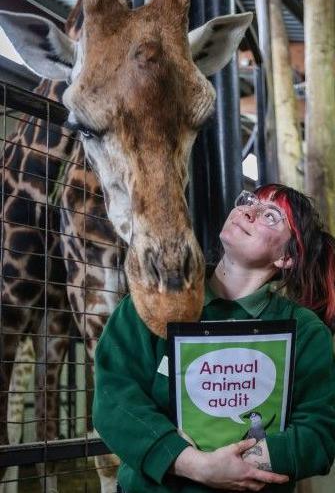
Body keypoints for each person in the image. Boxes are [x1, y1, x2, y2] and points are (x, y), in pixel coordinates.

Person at [93, 183, 335, 492]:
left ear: (286, 257)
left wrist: (243, 464)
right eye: (249, 200)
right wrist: (198, 466)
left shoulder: (305, 331)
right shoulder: (156, 300)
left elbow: (319, 434)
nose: (247, 210)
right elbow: (113, 399)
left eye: (270, 215)